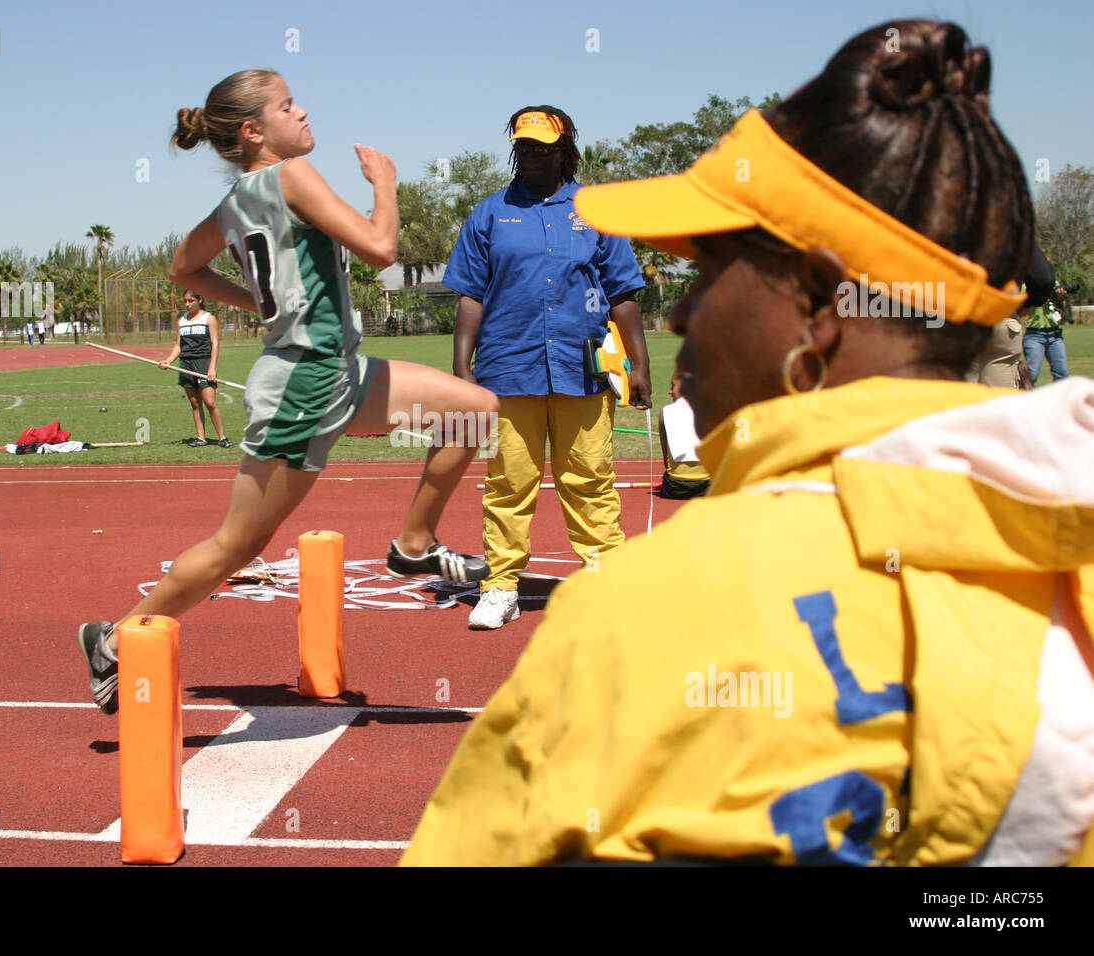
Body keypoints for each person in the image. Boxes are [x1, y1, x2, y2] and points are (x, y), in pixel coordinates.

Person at [403, 21, 1094, 866]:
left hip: (578, 398)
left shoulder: (641, 614)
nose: (683, 313)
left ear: (819, 299)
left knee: (581, 489)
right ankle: (500, 579)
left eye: (707, 268)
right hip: (516, 374)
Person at [78, 69, 499, 714]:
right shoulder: (292, 177)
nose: (303, 113)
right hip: (304, 381)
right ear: (254, 131)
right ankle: (114, 639)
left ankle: (414, 546)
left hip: (339, 369)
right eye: (287, 106)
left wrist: (257, 303)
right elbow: (382, 249)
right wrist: (385, 183)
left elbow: (182, 266)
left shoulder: (235, 202)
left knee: (475, 413)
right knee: (239, 545)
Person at [447, 106, 650, 631]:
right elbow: (470, 294)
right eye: (524, 147)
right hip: (506, 367)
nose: (532, 155)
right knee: (510, 483)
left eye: (542, 146)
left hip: (582, 369)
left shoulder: (594, 211)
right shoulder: (490, 213)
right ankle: (500, 587)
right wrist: (459, 367)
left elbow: (623, 293)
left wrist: (639, 362)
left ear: (565, 148)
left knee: (588, 478)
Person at [158, 290, 235, 448]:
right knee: (194, 402)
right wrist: (168, 361)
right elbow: (179, 345)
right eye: (185, 301)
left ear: (200, 299)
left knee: (210, 402)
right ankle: (201, 438)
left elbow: (215, 344)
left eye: (191, 300)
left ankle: (222, 437)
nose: (187, 304)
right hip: (186, 364)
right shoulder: (182, 321)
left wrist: (211, 368)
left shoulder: (209, 318)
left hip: (203, 363)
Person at [657, 371, 710, 498]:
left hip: (675, 487)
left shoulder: (665, 413)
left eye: (673, 386)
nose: (670, 392)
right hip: (710, 487)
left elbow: (666, 461)